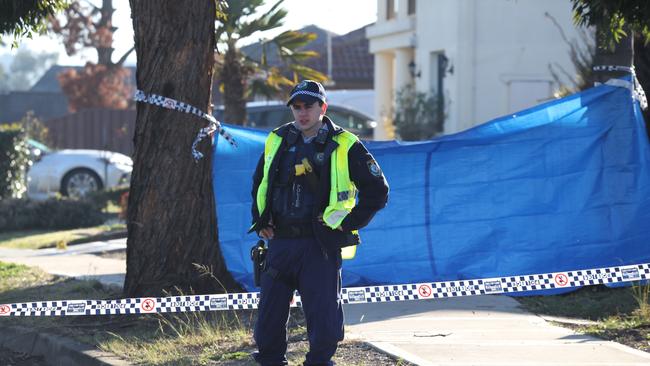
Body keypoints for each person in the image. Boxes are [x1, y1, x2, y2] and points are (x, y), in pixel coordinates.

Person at [249, 80, 389, 366]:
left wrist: (347, 223)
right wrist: (260, 219)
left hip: (320, 246)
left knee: (324, 320)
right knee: (268, 320)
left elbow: (378, 191)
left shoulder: (345, 144)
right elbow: (260, 183)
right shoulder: (278, 139)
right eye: (297, 107)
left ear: (322, 108)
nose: (302, 113)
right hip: (281, 243)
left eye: (308, 106)